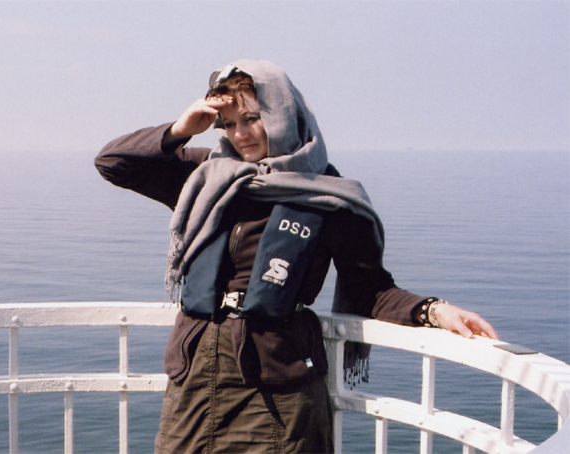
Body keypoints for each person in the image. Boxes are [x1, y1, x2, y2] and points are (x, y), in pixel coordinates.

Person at [95, 60, 498, 454]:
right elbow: (113, 163)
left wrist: (434, 310)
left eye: (251, 118)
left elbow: (369, 289)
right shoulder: (207, 175)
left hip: (277, 387)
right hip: (195, 380)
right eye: (228, 124)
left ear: (282, 114)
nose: (240, 134)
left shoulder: (327, 194)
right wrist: (179, 130)